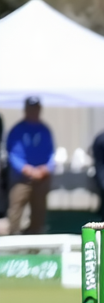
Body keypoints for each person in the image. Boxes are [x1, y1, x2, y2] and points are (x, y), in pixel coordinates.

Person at [4, 96, 58, 235]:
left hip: (41, 177)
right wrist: (25, 169)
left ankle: (35, 239)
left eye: (36, 109)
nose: (34, 112)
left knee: (39, 212)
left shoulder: (44, 130)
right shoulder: (17, 130)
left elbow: (51, 153)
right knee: (16, 210)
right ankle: (14, 239)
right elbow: (12, 154)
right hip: (21, 177)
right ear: (26, 110)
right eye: (31, 109)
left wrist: (46, 168)